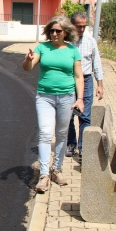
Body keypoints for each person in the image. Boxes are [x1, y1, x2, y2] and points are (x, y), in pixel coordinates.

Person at [23, 16, 84, 193]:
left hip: (67, 97)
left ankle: (57, 169)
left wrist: (80, 99)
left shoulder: (73, 50)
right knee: (45, 133)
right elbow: (28, 67)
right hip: (45, 97)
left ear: (66, 32)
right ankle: (44, 175)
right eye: (52, 30)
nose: (54, 33)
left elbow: (79, 76)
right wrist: (28, 59)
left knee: (62, 134)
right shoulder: (42, 48)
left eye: (58, 31)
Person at [66, 11, 104, 161]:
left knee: (85, 116)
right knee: (68, 115)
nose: (81, 29)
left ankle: (83, 147)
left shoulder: (90, 41)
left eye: (84, 26)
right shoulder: (66, 42)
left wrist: (100, 84)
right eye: (78, 26)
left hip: (87, 81)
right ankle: (71, 143)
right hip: (69, 80)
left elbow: (97, 64)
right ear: (72, 25)